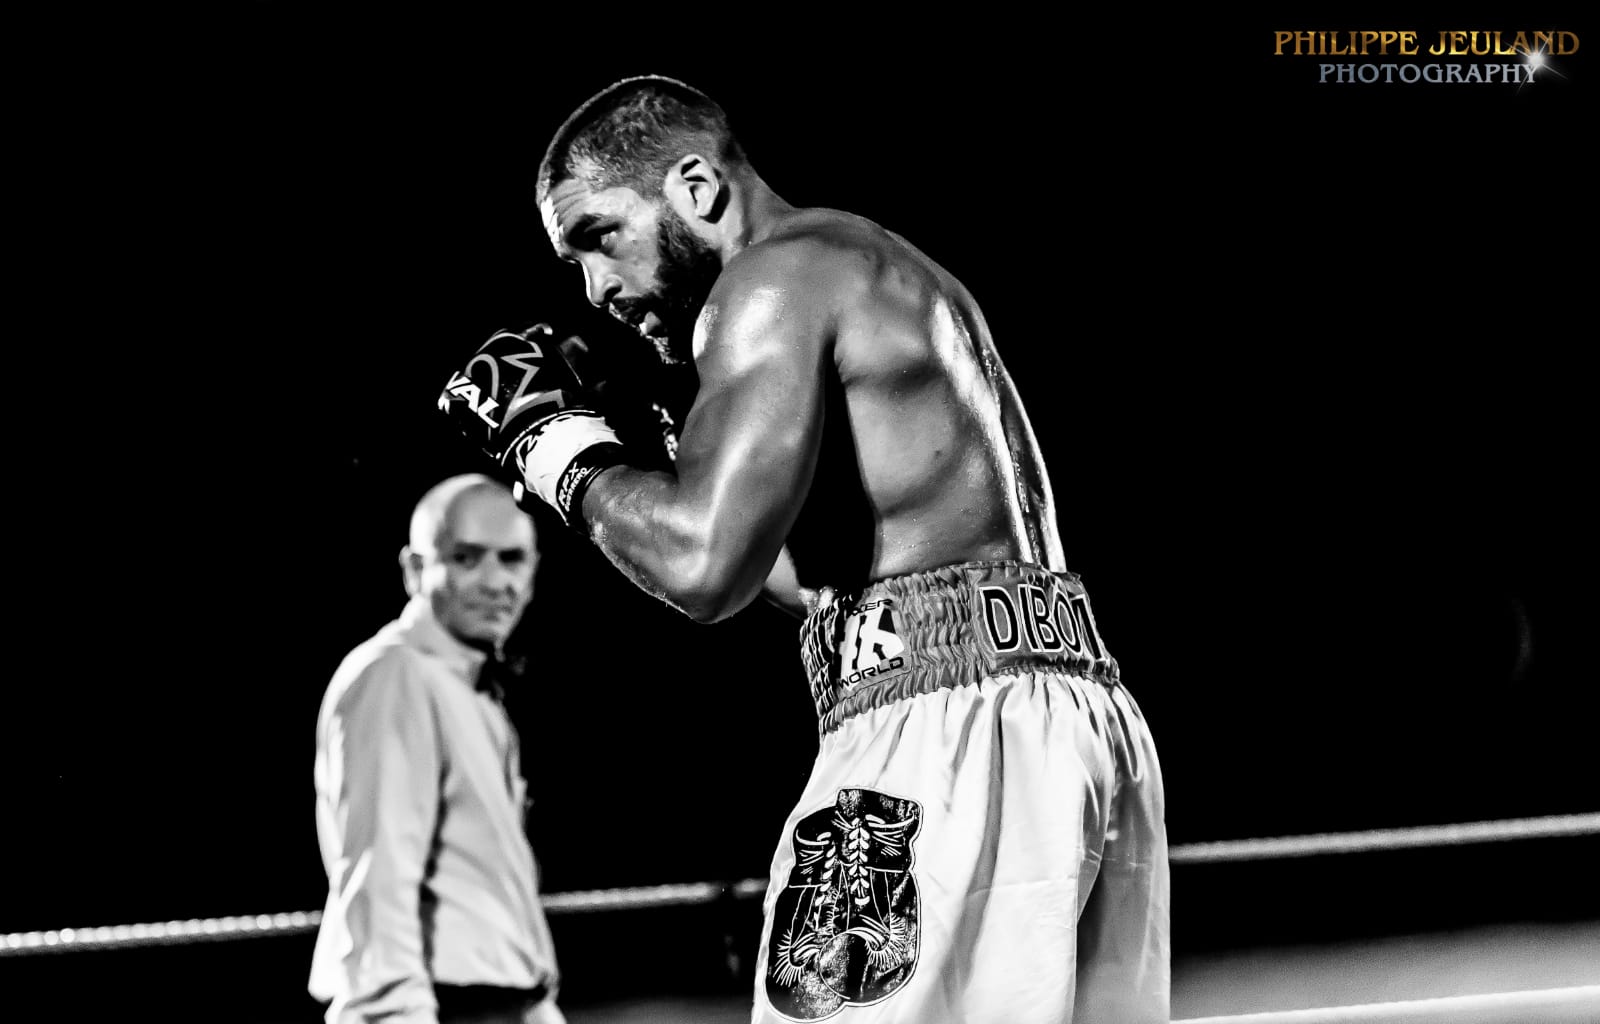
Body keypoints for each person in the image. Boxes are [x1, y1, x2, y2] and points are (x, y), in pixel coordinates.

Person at [442, 76, 1167, 1023]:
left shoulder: (772, 281)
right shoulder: (867, 267)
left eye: (599, 236)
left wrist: (548, 443)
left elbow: (703, 570)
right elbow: (785, 581)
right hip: (1071, 716)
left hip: (945, 740)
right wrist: (625, 446)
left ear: (696, 187)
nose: (595, 290)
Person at [309, 474, 565, 1024]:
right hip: (444, 1003)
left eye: (512, 559)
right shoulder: (396, 674)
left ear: (534, 572)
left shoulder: (466, 688)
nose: (495, 581)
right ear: (415, 570)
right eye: (466, 558)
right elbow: (379, 873)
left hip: (492, 1000)